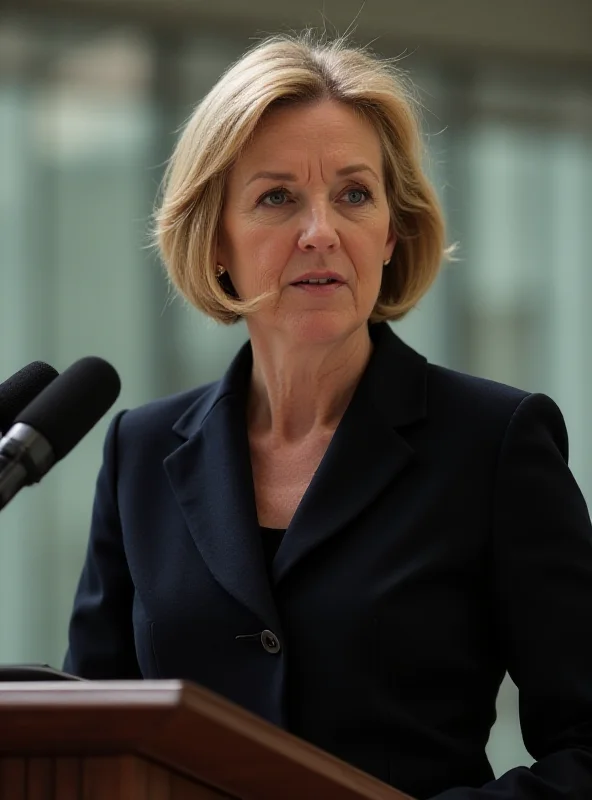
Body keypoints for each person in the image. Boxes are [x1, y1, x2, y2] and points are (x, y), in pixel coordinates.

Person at [63, 32, 592, 799]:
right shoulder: (140, 451)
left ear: (391, 231)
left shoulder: (494, 443)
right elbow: (89, 741)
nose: (321, 232)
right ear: (216, 240)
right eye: (277, 197)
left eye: (353, 194)